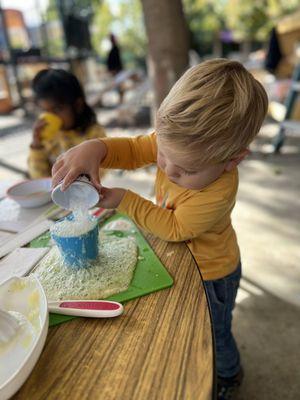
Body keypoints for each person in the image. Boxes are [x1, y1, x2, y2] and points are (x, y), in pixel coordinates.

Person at [52, 59, 268, 400]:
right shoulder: (181, 147)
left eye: (183, 170)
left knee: (216, 332)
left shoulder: (218, 191)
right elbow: (138, 148)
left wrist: (126, 200)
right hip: (183, 259)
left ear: (234, 159)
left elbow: (176, 227)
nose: (166, 168)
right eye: (164, 154)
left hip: (213, 272)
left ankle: (228, 373)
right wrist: (99, 148)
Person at [28, 68, 106, 179]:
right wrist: (36, 145)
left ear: (77, 105)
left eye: (57, 109)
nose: (51, 117)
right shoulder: (47, 137)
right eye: (45, 111)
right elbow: (38, 177)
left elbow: (97, 174)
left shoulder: (94, 134)